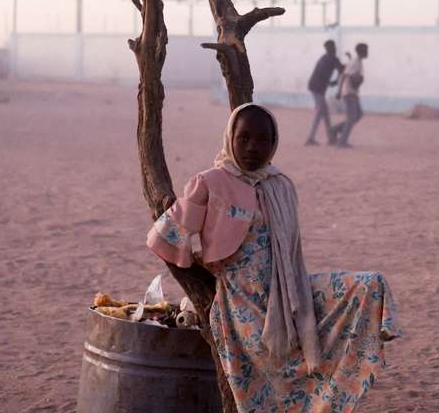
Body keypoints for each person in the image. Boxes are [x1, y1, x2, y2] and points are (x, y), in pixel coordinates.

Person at [147, 103, 399, 412]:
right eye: (244, 138)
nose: (253, 147)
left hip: (289, 293)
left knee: (369, 284)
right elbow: (164, 237)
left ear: (273, 143)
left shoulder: (280, 185)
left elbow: (292, 252)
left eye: (262, 140)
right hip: (240, 304)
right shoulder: (209, 182)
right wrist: (201, 269)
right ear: (230, 138)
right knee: (276, 369)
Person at [304, 39, 344, 145]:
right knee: (320, 112)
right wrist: (335, 81)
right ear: (330, 48)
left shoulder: (324, 57)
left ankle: (330, 138)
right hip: (318, 88)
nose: (334, 48)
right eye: (333, 47)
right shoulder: (332, 58)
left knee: (325, 113)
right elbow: (342, 69)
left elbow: (337, 70)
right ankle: (311, 138)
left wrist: (334, 81)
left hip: (315, 86)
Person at [333, 42, 368, 147]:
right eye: (366, 50)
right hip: (348, 92)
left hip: (353, 92)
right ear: (361, 51)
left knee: (358, 115)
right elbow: (344, 75)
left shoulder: (358, 61)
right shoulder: (355, 62)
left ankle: (335, 129)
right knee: (351, 117)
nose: (367, 52)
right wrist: (339, 91)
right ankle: (342, 142)